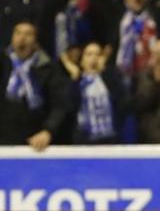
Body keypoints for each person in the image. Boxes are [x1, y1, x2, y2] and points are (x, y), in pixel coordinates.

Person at [0, 21, 71, 150]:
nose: (22, 38)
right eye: (18, 33)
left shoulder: (48, 68)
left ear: (35, 41)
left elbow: (60, 105)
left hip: (36, 140)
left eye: (28, 34)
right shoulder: (4, 64)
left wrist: (48, 131)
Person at [60, 42, 125, 144]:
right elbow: (69, 107)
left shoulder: (111, 78)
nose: (93, 58)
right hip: (84, 140)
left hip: (110, 139)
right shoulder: (76, 82)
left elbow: (123, 103)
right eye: (89, 54)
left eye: (98, 54)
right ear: (82, 60)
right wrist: (75, 77)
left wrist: (104, 72)